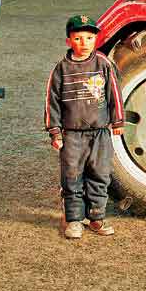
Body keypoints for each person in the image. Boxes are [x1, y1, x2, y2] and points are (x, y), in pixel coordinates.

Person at [44, 14, 125, 240]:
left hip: (99, 133)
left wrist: (117, 121)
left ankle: (97, 217)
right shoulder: (61, 69)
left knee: (100, 175)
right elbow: (52, 103)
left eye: (89, 38)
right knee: (72, 177)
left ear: (95, 39)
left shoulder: (103, 65)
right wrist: (55, 132)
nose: (84, 43)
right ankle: (74, 220)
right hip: (72, 135)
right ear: (69, 41)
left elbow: (114, 94)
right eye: (78, 38)